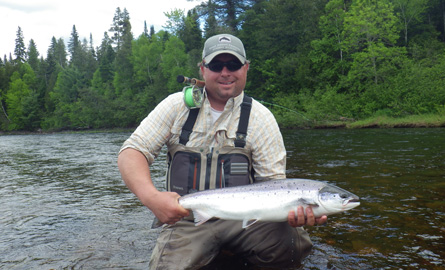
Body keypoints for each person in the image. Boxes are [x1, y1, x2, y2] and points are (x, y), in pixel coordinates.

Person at [117, 33, 327, 270]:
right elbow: (132, 152)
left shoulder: (261, 118)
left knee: (293, 244)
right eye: (217, 65)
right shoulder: (176, 107)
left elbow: (274, 186)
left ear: (246, 68)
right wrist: (151, 198)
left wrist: (294, 213)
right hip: (188, 220)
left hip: (248, 219)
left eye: (234, 64)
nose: (226, 72)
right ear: (203, 70)